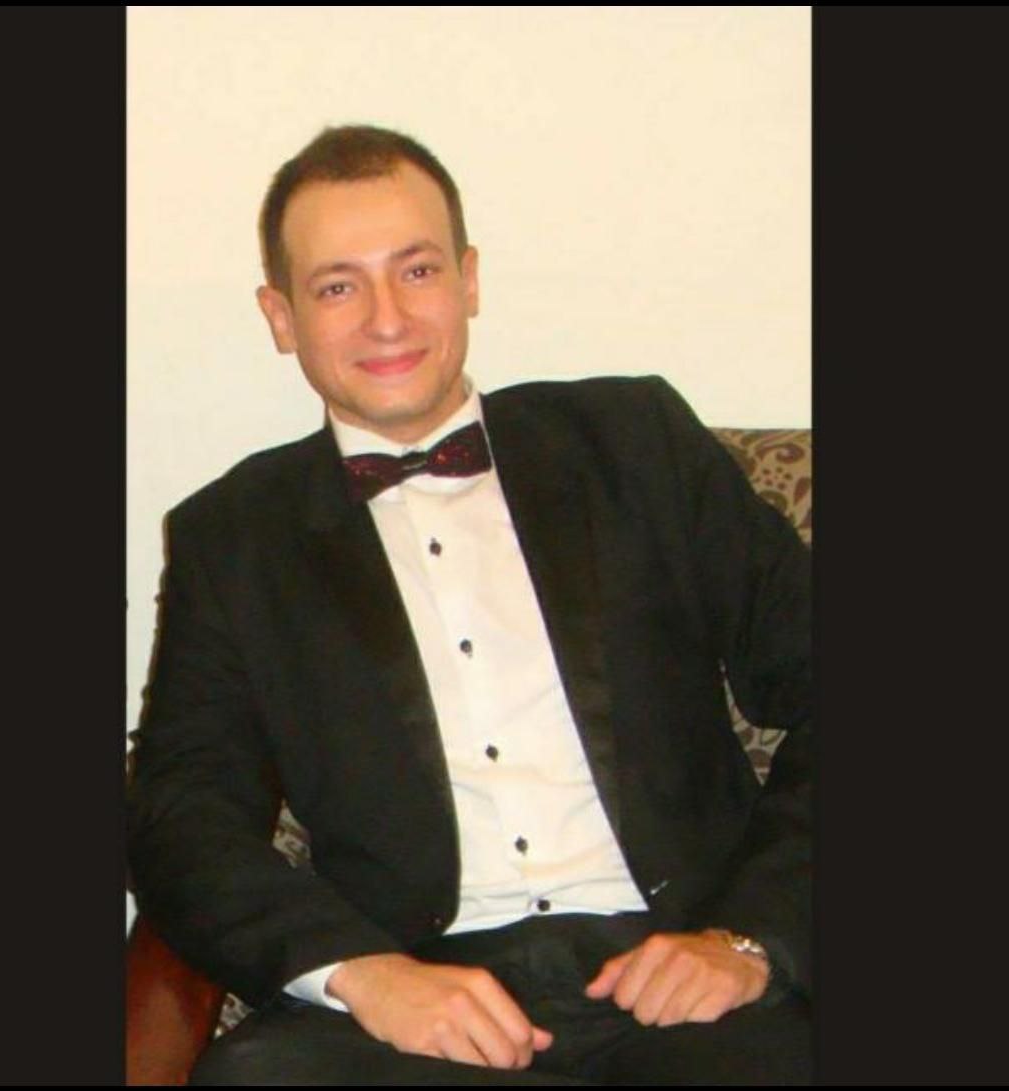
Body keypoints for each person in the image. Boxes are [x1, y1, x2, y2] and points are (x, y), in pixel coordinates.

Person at [127, 124, 812, 1085]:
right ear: (281, 317)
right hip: (417, 1001)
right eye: (337, 287)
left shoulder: (638, 443)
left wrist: (750, 941)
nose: (388, 319)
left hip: (689, 981)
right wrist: (361, 975)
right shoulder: (233, 537)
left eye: (417, 271)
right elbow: (181, 811)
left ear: (470, 278)